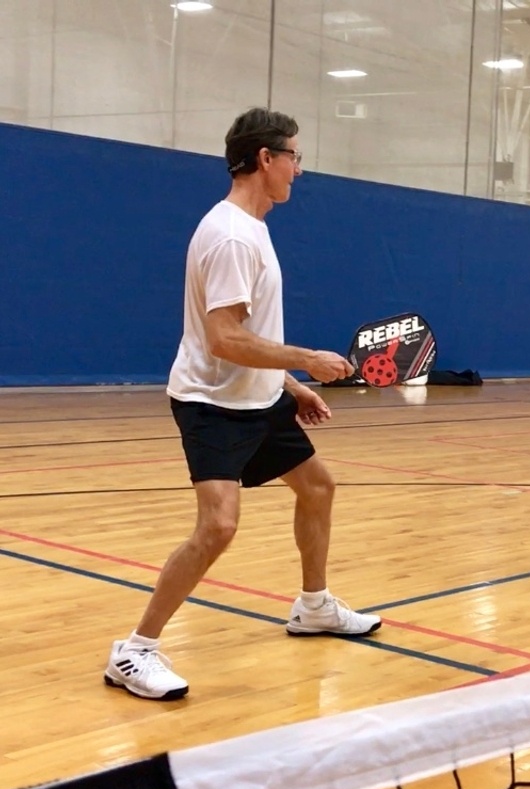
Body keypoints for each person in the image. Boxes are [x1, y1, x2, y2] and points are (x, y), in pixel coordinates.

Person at [103, 108, 381, 701]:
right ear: (265, 159)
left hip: (255, 398)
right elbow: (223, 339)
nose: (299, 171)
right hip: (212, 404)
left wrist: (291, 386)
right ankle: (134, 651)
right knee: (219, 526)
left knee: (318, 487)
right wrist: (306, 358)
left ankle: (313, 608)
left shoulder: (252, 227)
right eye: (294, 157)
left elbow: (246, 336)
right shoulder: (230, 235)